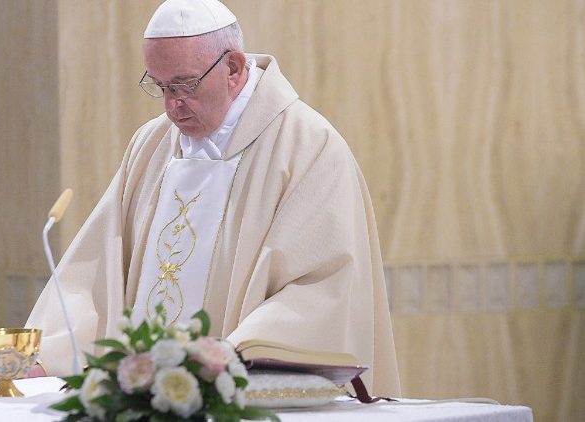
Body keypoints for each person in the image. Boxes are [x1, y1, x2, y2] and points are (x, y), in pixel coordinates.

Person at [22, 0, 400, 396]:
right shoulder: (151, 145)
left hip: (243, 399)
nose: (171, 105)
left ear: (233, 69)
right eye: (160, 86)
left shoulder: (307, 147)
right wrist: (48, 354)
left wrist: (221, 360)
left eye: (184, 85)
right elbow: (96, 271)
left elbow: (324, 286)